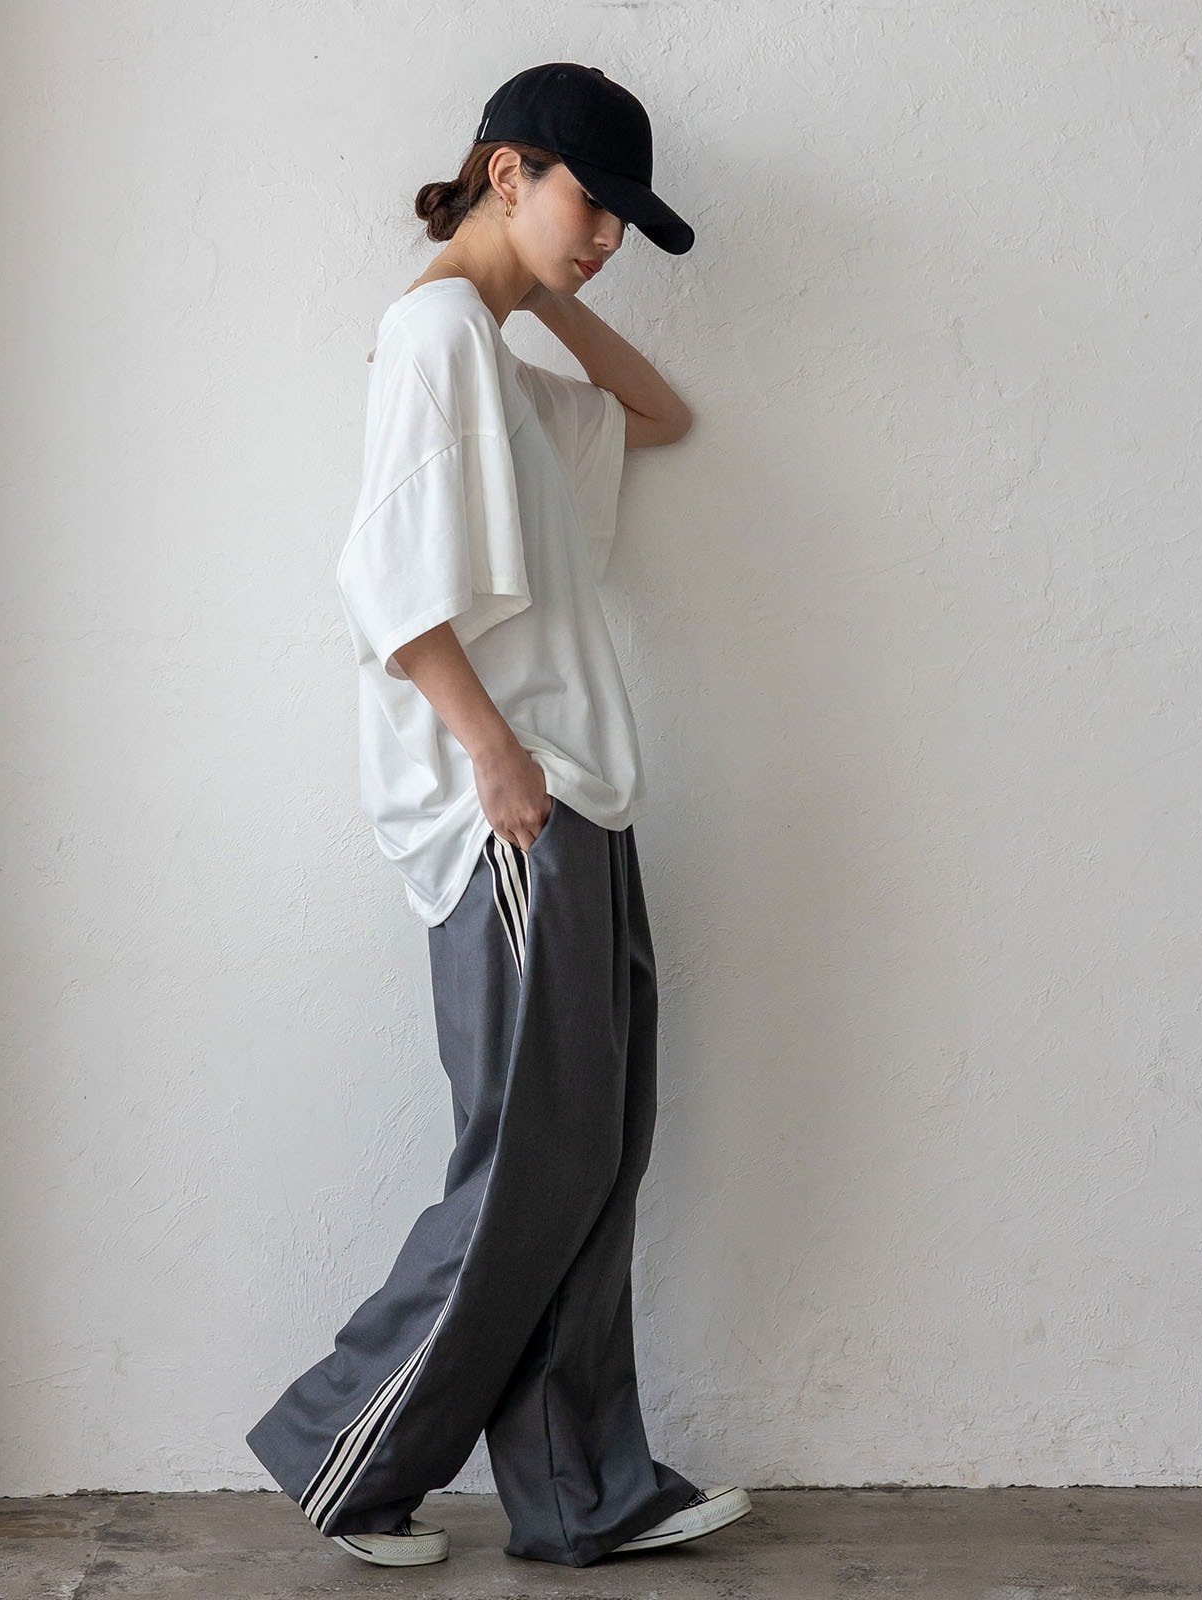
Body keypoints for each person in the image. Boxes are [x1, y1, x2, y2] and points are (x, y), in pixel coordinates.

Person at [245, 61, 752, 1570]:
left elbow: (658, 413)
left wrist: (544, 290)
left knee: (590, 1153)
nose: (608, 241)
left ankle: (579, 1489)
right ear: (507, 169)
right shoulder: (432, 338)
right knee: (533, 1161)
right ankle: (344, 1450)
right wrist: (494, 758)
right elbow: (385, 593)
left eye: (624, 224)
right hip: (514, 811)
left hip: (572, 795)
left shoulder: (490, 351)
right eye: (593, 205)